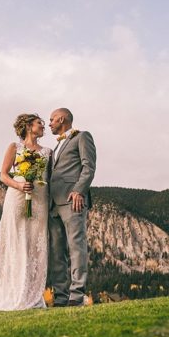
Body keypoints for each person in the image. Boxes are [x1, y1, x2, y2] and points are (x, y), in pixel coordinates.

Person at [0, 113, 51, 311]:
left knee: (35, 245)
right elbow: (3, 175)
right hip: (17, 198)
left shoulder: (48, 152)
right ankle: (13, 294)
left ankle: (32, 295)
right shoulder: (14, 147)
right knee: (16, 242)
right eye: (39, 123)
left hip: (40, 200)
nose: (43, 126)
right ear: (28, 126)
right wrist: (18, 185)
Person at [47, 108, 96, 307]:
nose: (49, 123)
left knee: (76, 247)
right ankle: (60, 297)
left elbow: (88, 167)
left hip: (73, 201)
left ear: (61, 119)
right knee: (56, 252)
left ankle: (77, 294)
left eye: (52, 119)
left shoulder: (82, 137)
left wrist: (79, 191)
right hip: (53, 204)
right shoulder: (54, 148)